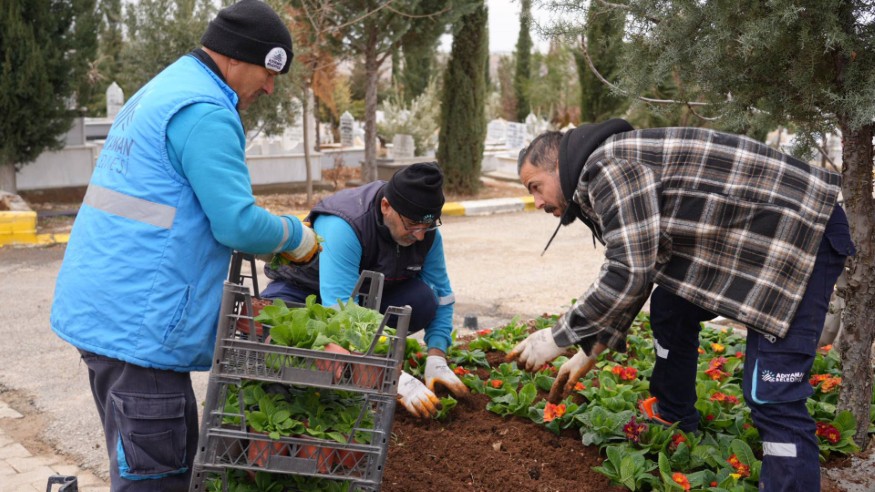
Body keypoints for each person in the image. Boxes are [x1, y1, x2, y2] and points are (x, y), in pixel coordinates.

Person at [50, 1, 319, 490]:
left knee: (138, 464)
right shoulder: (206, 112)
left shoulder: (167, 88)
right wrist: (296, 237)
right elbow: (236, 224)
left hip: (109, 315)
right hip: (140, 334)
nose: (269, 87)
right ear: (236, 57)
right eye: (268, 72)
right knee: (158, 481)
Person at [508, 119, 855, 492]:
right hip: (764, 246)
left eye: (536, 187)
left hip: (803, 240)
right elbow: (648, 261)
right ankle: (674, 416)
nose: (538, 202)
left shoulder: (607, 167)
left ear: (557, 165)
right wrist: (591, 348)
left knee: (771, 395)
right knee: (671, 305)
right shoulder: (609, 164)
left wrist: (557, 338)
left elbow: (628, 270)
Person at [260, 162, 469, 418]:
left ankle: (359, 366)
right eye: (413, 225)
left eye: (428, 226)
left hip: (363, 301)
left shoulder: (425, 234)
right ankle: (327, 386)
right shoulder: (346, 224)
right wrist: (389, 374)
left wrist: (437, 355)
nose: (420, 236)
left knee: (423, 299)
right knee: (283, 343)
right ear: (386, 207)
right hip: (304, 297)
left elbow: (442, 294)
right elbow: (340, 310)